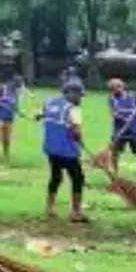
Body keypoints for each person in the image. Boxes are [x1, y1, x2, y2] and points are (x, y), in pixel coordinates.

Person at [37, 79, 88, 222]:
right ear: (69, 93)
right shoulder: (74, 109)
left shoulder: (49, 102)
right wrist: (79, 141)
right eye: (78, 95)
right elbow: (76, 132)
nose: (80, 99)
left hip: (51, 149)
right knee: (78, 178)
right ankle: (76, 212)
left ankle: (49, 208)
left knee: (56, 177)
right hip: (67, 150)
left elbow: (38, 115)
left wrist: (40, 117)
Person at [108, 78, 136, 177]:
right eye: (113, 88)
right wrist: (124, 118)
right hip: (120, 130)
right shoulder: (111, 98)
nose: (116, 90)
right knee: (115, 150)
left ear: (122, 86)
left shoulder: (133, 96)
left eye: (118, 87)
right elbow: (113, 113)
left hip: (134, 129)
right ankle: (115, 172)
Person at [0, 77, 19, 162]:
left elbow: (15, 105)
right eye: (18, 84)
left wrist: (17, 110)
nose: (18, 86)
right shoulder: (3, 88)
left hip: (9, 118)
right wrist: (1, 104)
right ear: (14, 83)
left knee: (7, 138)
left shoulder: (16, 92)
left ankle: (6, 154)